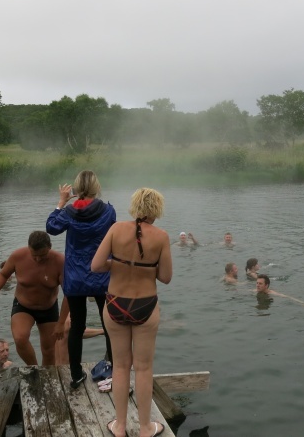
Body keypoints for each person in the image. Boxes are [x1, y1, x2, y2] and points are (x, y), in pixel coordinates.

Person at [91, 187, 172, 437]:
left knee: (120, 367)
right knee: (144, 368)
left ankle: (120, 426)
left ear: (135, 206)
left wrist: (118, 263)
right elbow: (165, 277)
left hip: (115, 303)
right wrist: (146, 266)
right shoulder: (161, 236)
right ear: (157, 210)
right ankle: (146, 428)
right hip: (146, 306)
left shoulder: (116, 230)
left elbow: (95, 266)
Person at [46, 170, 116, 388]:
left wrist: (61, 201)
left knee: (77, 325)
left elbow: (51, 227)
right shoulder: (107, 211)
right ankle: (112, 367)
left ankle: (76, 373)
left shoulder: (68, 212)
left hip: (76, 275)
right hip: (101, 272)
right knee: (109, 324)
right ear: (97, 187)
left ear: (75, 188)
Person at [0, 231, 64, 366]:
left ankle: (47, 376)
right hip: (23, 306)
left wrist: (61, 322)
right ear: (29, 248)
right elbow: (3, 274)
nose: (38, 259)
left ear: (49, 247)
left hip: (48, 308)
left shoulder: (60, 261)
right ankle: (34, 368)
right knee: (20, 338)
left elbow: (69, 294)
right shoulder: (18, 256)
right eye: (34, 256)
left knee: (49, 350)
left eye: (42, 255)